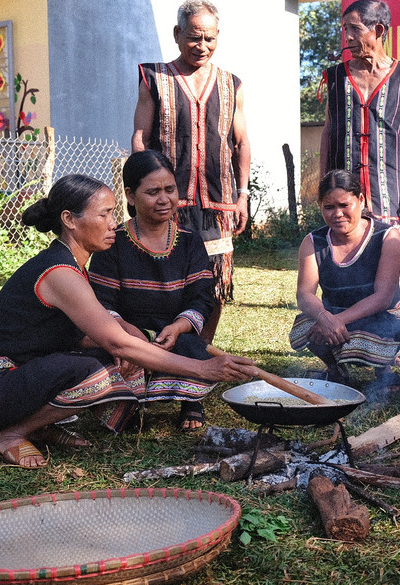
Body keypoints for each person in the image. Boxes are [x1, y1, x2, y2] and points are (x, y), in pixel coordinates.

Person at [0, 174, 256, 469]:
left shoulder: (72, 264)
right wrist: (203, 368)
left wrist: (134, 337)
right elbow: (115, 341)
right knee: (100, 371)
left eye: (113, 213)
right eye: (105, 214)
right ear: (70, 219)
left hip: (14, 377)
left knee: (117, 359)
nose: (114, 224)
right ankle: (12, 435)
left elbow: (90, 333)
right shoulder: (60, 273)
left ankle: (35, 426)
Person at [132, 0, 250, 343]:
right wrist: (145, 191)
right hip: (167, 202)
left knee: (213, 280)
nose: (203, 46)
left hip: (217, 203)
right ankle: (162, 347)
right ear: (177, 34)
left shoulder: (232, 84)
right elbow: (140, 139)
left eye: (210, 39)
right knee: (163, 279)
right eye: (195, 38)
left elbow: (241, 144)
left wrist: (242, 196)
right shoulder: (153, 77)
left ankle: (201, 348)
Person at [89, 151, 219, 431]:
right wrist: (127, 337)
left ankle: (190, 399)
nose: (164, 199)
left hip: (175, 335)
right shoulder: (114, 243)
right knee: (97, 364)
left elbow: (202, 295)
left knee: (197, 347)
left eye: (170, 189)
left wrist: (179, 327)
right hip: (126, 338)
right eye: (153, 191)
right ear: (130, 195)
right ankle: (130, 402)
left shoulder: (189, 241)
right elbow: (100, 303)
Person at [290, 169, 400, 392]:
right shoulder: (313, 242)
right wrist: (325, 318)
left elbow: (382, 298)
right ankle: (336, 371)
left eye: (345, 205)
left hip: (380, 318)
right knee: (307, 328)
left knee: (366, 341)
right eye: (329, 207)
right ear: (320, 207)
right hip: (335, 314)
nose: (338, 213)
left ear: (360, 200)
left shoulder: (387, 237)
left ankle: (384, 370)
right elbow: (304, 295)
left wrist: (336, 321)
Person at [320, 0, 400, 225]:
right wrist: (322, 185)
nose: (348, 37)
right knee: (344, 258)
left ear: (378, 30)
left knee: (387, 256)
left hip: (388, 196)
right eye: (345, 29)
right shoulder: (336, 78)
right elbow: (327, 133)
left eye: (355, 28)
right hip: (343, 200)